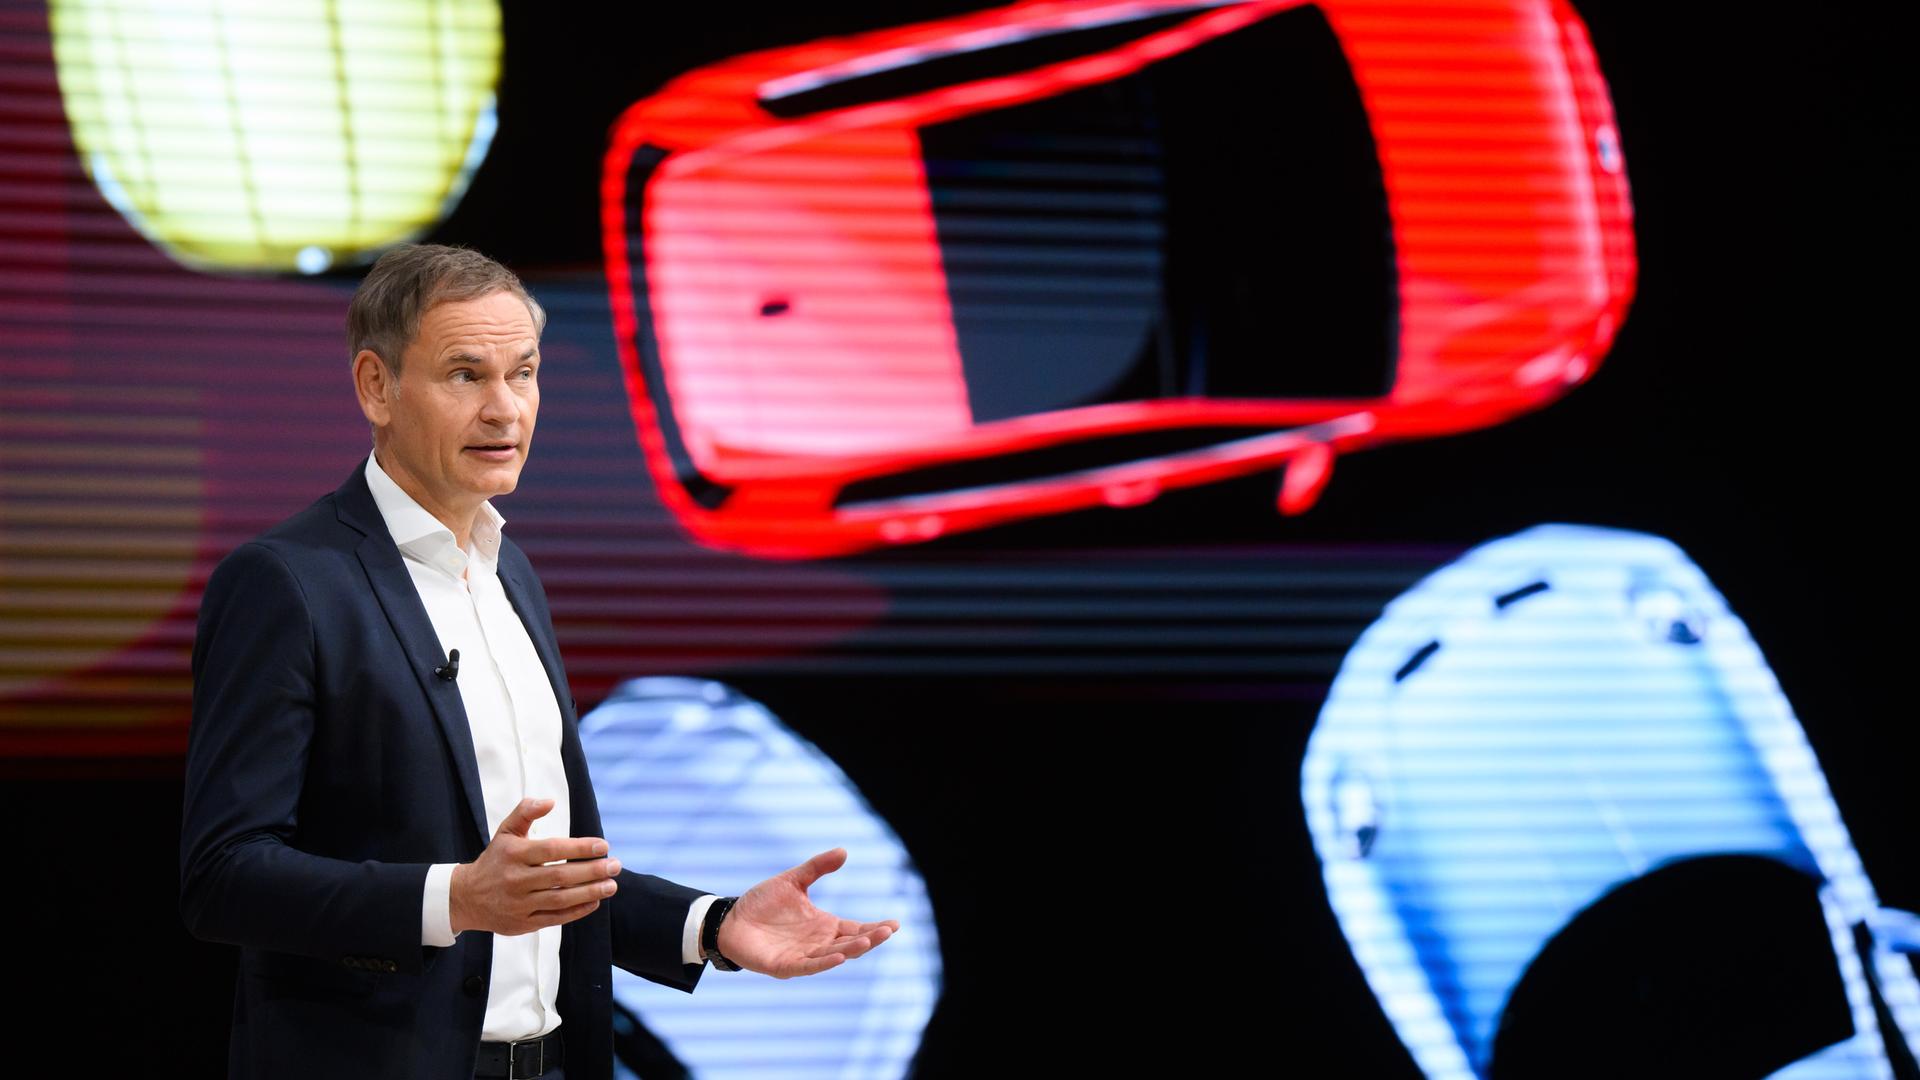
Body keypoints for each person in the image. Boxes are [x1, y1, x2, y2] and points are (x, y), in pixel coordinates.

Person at [180, 244, 899, 1080]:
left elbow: (538, 883)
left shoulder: (508, 572)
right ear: (376, 386)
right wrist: (453, 901)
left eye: (522, 373)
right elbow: (223, 874)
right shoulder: (288, 584)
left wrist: (711, 924)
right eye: (464, 375)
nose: (505, 410)